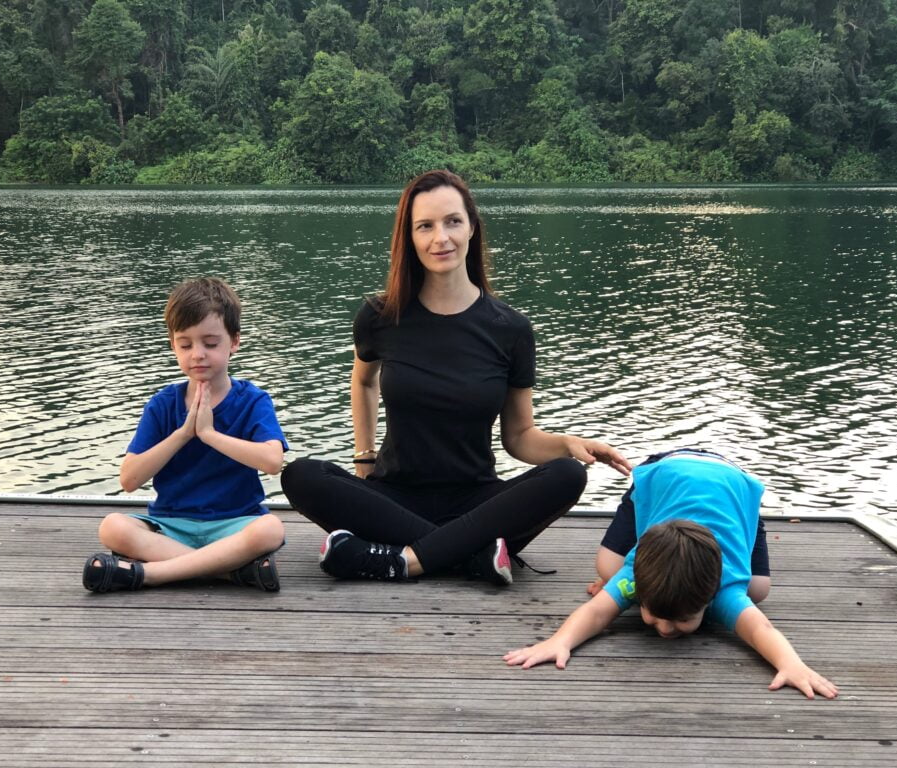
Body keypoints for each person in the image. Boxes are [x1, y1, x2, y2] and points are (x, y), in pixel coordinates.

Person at [280, 169, 631, 586]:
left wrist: (567, 444)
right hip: (392, 494)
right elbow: (363, 381)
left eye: (452, 222)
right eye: (424, 226)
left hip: (476, 500)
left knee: (567, 474)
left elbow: (518, 437)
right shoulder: (380, 317)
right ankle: (474, 556)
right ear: (408, 237)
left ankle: (399, 559)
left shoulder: (510, 330)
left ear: (472, 228)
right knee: (300, 474)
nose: (440, 238)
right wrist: (364, 459)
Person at [504, 448, 838, 699]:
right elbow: (595, 613)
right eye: (653, 614)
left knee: (757, 590)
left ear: (710, 597)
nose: (665, 629)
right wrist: (560, 640)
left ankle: (748, 524)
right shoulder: (635, 574)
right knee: (608, 568)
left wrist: (791, 664)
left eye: (682, 619)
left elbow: (759, 628)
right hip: (660, 478)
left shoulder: (725, 587)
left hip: (733, 488)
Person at [82, 278, 288, 593]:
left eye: (210, 343)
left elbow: (272, 461)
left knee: (271, 529)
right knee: (112, 527)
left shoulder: (253, 400)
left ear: (234, 342)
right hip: (172, 525)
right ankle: (231, 572)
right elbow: (129, 480)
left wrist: (208, 434)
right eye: (186, 344)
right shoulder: (163, 404)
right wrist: (183, 434)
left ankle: (149, 574)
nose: (198, 354)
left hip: (234, 523)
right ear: (172, 344)